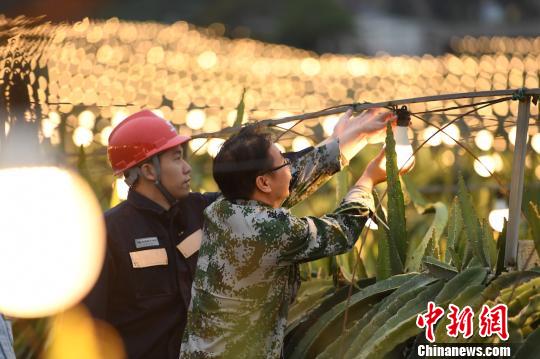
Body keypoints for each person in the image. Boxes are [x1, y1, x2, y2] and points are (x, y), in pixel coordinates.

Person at [84, 108, 393, 359]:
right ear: (149, 170)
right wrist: (366, 181)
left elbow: (274, 182)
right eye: (176, 158)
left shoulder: (207, 212)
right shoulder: (107, 234)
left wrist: (350, 140)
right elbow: (88, 330)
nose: (187, 168)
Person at [180, 120, 411, 358]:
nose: (290, 167)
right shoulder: (268, 230)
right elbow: (341, 231)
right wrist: (368, 180)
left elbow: (298, 176)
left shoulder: (224, 208)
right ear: (263, 182)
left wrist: (358, 134)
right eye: (284, 161)